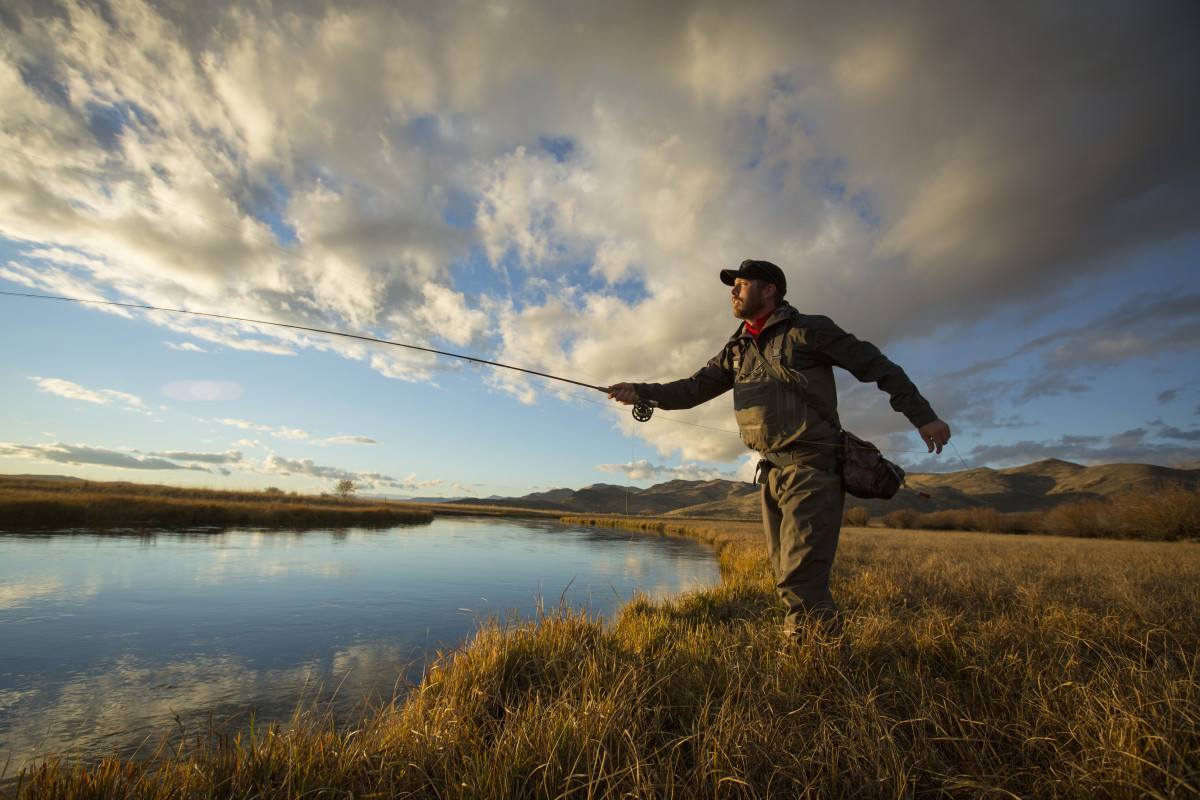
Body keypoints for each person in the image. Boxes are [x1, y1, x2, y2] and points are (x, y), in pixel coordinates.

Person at [608, 259, 951, 642]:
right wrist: (640, 390)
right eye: (732, 286)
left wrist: (924, 417)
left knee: (799, 579)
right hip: (770, 474)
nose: (733, 292)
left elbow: (876, 365)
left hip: (813, 470)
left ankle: (811, 667)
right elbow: (691, 389)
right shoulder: (737, 348)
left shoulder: (809, 330)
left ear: (769, 289)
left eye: (740, 284)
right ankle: (821, 654)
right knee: (787, 572)